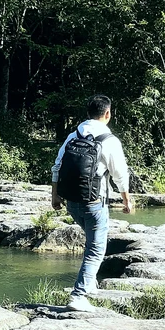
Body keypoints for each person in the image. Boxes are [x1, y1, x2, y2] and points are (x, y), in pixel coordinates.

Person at [50, 95, 133, 311]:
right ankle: (79, 295)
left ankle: (90, 283)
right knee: (96, 248)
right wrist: (126, 200)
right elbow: (120, 174)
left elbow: (57, 166)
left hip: (71, 201)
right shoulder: (109, 140)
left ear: (88, 113)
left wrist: (55, 196)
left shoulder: (72, 136)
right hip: (94, 202)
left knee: (92, 240)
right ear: (107, 114)